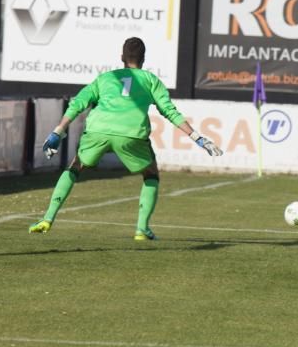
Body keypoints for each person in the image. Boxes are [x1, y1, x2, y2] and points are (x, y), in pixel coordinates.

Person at [28, 37, 222, 240]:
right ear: (144, 58)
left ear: (121, 57)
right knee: (151, 174)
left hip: (98, 130)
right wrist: (197, 137)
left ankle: (48, 218)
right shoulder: (151, 80)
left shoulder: (106, 78)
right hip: (132, 134)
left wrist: (58, 131)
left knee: (75, 167)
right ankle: (142, 229)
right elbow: (169, 111)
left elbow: (78, 104)